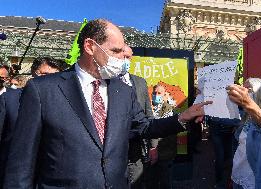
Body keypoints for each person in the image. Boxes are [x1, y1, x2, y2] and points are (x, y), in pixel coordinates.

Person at [3, 19, 211, 189]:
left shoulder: (123, 91)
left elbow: (144, 126)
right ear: (90, 47)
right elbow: (21, 162)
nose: (123, 58)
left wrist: (183, 117)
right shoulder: (43, 90)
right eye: (116, 51)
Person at [0, 56, 64, 188]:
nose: (49, 80)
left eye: (55, 76)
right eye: (45, 74)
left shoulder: (63, 105)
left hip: (48, 178)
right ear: (34, 73)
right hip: (12, 175)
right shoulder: (9, 99)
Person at [226, 78, 261, 189]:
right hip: (238, 174)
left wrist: (249, 104)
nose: (245, 93)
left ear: (260, 93)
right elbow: (229, 118)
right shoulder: (246, 114)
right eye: (243, 89)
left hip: (257, 180)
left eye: (249, 90)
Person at [120, 45, 153, 188]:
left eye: (129, 58)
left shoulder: (140, 82)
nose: (127, 61)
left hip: (136, 152)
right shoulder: (103, 81)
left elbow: (148, 115)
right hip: (112, 153)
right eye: (124, 57)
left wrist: (153, 146)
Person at [148, 84, 176, 189]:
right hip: (151, 153)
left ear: (165, 95)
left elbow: (161, 129)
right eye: (154, 93)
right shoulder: (149, 107)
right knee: (152, 181)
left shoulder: (168, 109)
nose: (156, 95)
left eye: (159, 93)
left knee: (165, 181)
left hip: (165, 152)